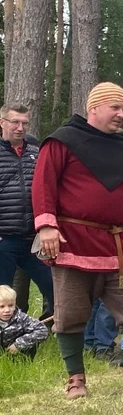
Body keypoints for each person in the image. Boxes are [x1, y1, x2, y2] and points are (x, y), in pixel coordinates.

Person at [32, 82, 123, 397]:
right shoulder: (61, 142)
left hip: (118, 243)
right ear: (94, 108)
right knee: (70, 314)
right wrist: (46, 226)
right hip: (72, 240)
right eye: (115, 108)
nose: (121, 114)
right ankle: (76, 379)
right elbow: (43, 183)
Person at [0, 103, 55, 324]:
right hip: (4, 238)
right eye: (15, 122)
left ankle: (50, 330)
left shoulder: (37, 152)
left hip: (34, 239)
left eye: (24, 123)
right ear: (2, 122)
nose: (20, 128)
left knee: (53, 286)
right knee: (2, 293)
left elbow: (47, 190)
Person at [0, 284, 48, 358]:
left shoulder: (21, 318)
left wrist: (18, 344)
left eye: (10, 305)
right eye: (2, 306)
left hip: (19, 355)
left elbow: (42, 330)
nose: (7, 310)